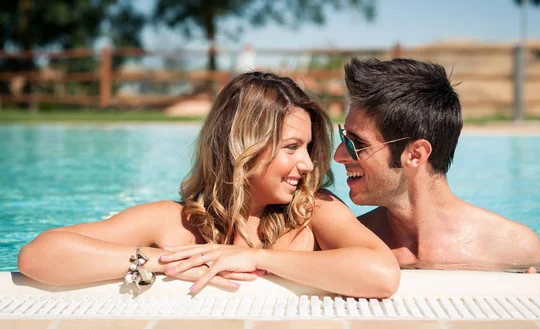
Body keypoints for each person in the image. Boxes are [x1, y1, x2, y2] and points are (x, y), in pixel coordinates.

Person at [18, 71, 400, 297]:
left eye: (308, 147)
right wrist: (167, 262)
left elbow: (382, 275)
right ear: (242, 148)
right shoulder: (176, 222)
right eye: (291, 147)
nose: (306, 163)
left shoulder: (313, 212)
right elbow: (38, 256)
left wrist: (255, 257)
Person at [333, 57, 540, 297]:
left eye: (357, 144)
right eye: (344, 138)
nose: (338, 155)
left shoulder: (513, 248)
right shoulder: (348, 241)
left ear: (415, 154)